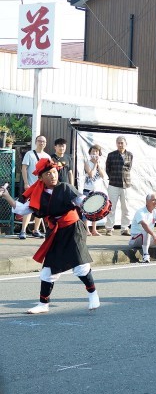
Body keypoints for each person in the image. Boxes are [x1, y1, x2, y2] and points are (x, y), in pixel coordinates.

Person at [0, 159, 99, 314]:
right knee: (48, 271)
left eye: (54, 172)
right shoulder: (38, 194)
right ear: (41, 178)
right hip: (55, 232)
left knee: (80, 265)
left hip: (73, 229)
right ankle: (43, 304)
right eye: (48, 173)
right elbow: (22, 209)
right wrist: (6, 196)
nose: (53, 175)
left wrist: (93, 204)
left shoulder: (65, 187)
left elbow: (81, 201)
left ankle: (93, 294)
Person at [19, 135, 51, 240]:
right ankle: (23, 230)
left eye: (43, 141)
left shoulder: (47, 156)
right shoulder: (29, 154)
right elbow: (24, 168)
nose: (41, 143)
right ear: (36, 142)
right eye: (40, 141)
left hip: (43, 187)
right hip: (32, 186)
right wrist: (26, 182)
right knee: (29, 208)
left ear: (46, 143)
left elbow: (50, 172)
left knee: (40, 209)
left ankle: (36, 230)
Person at [105, 136, 134, 236]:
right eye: (118, 143)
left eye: (122, 143)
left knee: (126, 208)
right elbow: (107, 169)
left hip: (126, 184)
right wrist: (113, 177)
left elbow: (128, 168)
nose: (120, 145)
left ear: (126, 143)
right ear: (116, 144)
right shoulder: (111, 155)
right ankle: (109, 228)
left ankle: (125, 228)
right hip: (113, 184)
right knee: (111, 207)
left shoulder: (130, 155)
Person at [83, 144, 106, 236]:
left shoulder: (101, 163)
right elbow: (91, 174)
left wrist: (98, 165)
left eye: (96, 151)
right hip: (88, 189)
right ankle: (86, 229)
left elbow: (103, 175)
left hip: (97, 189)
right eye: (93, 151)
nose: (95, 153)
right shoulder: (87, 162)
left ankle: (94, 229)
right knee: (86, 210)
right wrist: (95, 164)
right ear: (90, 153)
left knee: (96, 210)